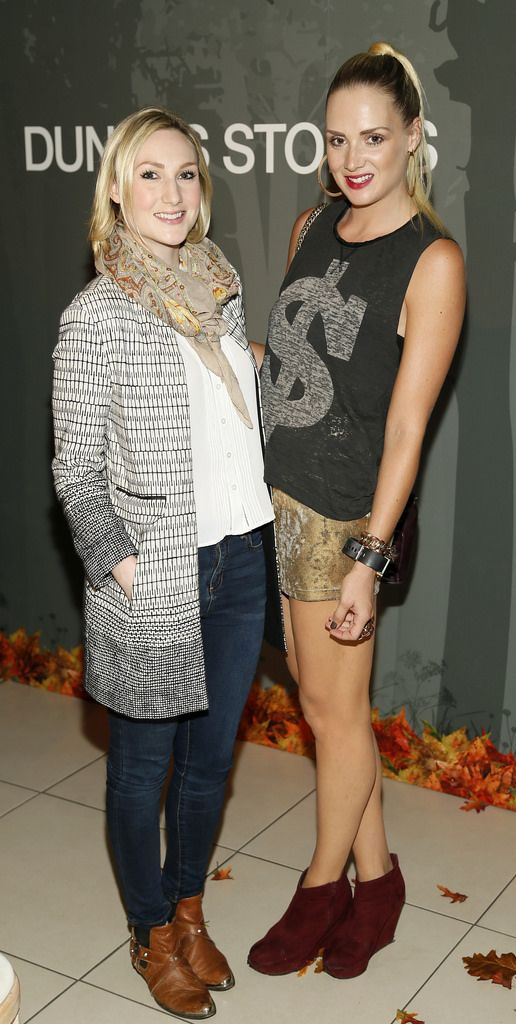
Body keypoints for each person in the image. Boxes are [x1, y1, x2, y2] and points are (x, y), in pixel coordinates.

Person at [52, 106, 277, 1019]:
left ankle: (188, 911)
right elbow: (73, 468)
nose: (171, 192)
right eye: (150, 174)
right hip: (153, 576)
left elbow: (231, 426)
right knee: (140, 771)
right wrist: (121, 566)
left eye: (185, 174)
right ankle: (149, 933)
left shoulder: (218, 288)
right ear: (116, 188)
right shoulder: (96, 314)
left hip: (240, 561)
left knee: (207, 764)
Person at [248, 42, 466, 979]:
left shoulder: (434, 261)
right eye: (336, 140)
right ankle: (377, 881)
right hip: (276, 498)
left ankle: (319, 888)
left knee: (335, 718)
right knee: (324, 707)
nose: (353, 159)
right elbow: (294, 369)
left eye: (373, 137)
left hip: (344, 523)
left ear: (414, 136)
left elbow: (407, 432)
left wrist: (367, 563)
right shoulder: (310, 224)